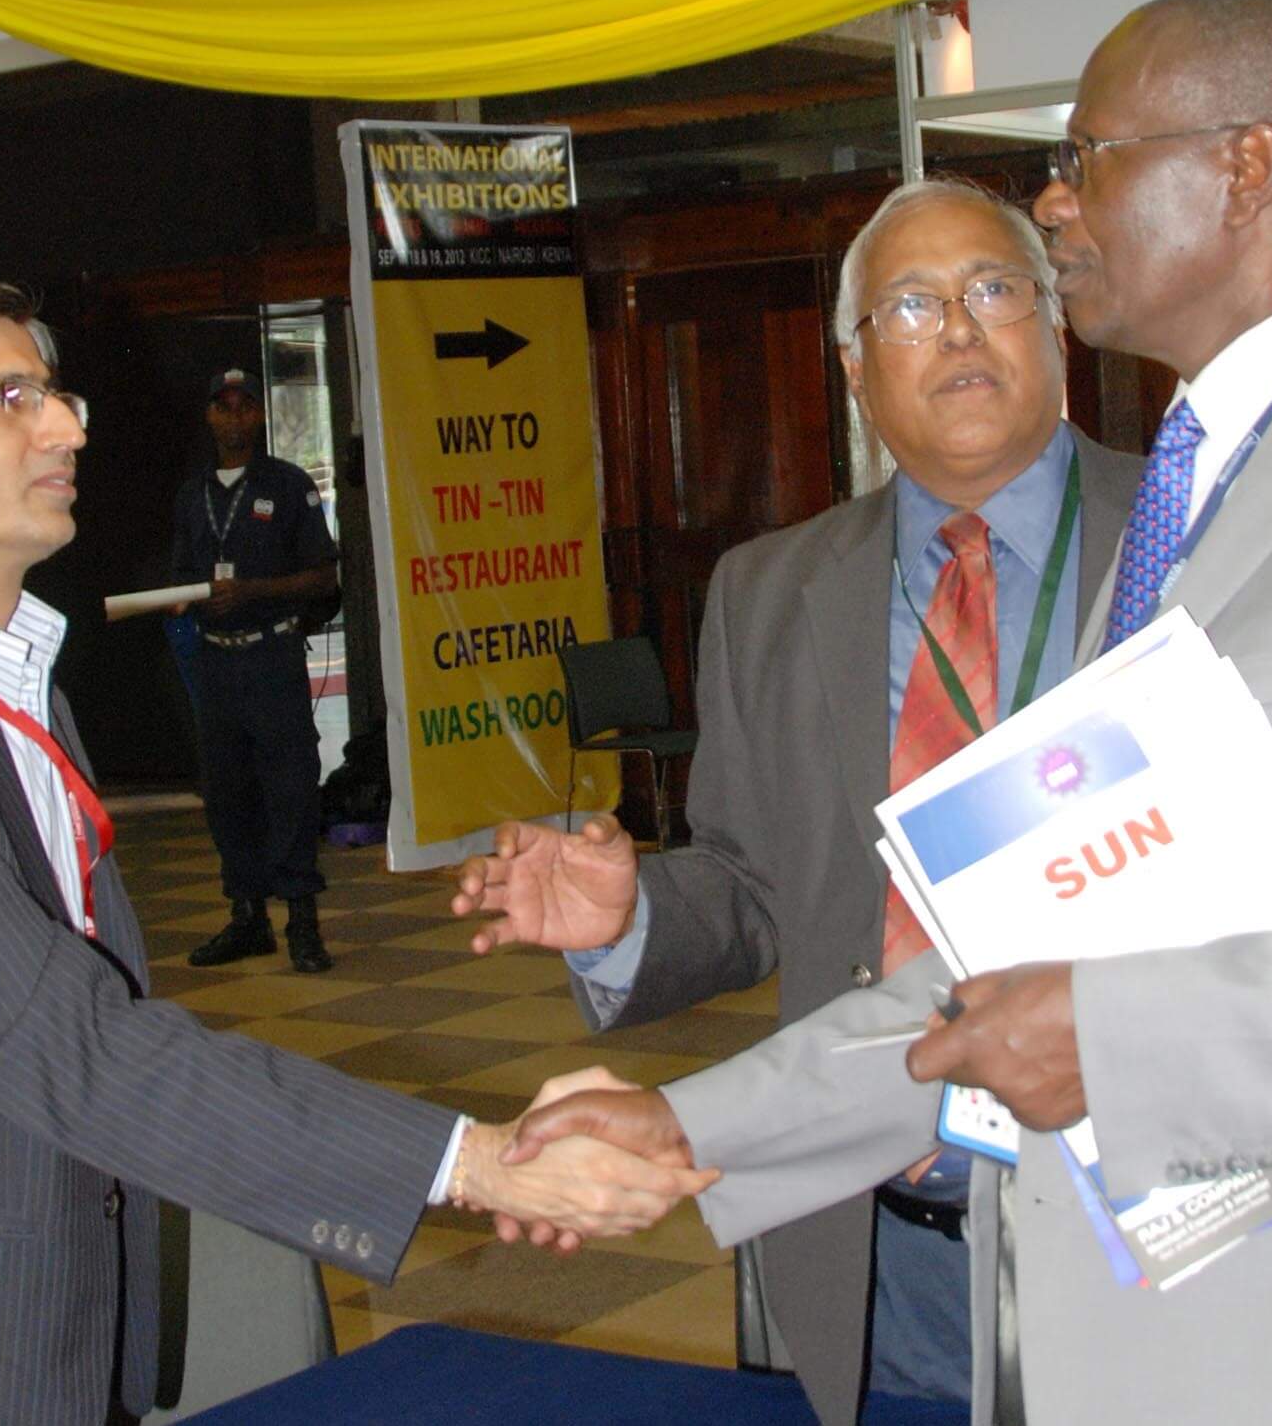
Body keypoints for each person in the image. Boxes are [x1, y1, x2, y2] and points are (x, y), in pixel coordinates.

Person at [507, 0, 1272, 1425]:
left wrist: (1123, 1034)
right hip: (1135, 1324)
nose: (1053, 201)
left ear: (1244, 167)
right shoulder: (1187, 497)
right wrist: (686, 1121)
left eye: (1086, 157)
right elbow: (1019, 955)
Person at [0, 275, 712, 1426]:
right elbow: (59, 1040)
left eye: (55, 396)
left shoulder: (5, 677)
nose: (65, 428)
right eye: (7, 399)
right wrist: (472, 1161)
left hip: (35, 1326)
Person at [452, 178, 1143, 1416]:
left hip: (1150, 1214)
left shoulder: (1194, 532)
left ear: (1054, 323)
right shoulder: (767, 593)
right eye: (910, 306)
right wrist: (632, 916)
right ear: (854, 368)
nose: (959, 328)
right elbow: (759, 885)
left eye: (994, 290)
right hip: (889, 1246)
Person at [172, 367, 338, 973]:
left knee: (290, 787)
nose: (234, 418)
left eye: (245, 406)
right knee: (227, 792)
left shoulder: (288, 485)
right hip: (216, 659)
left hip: (272, 657)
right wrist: (188, 598)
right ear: (209, 415)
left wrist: (252, 592)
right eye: (223, 407)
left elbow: (323, 576)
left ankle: (302, 922)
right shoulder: (192, 494)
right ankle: (247, 918)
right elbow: (181, 577)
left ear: (260, 415)